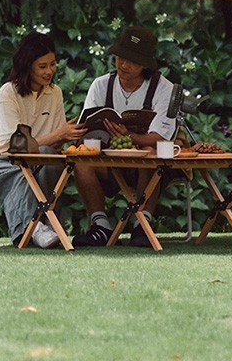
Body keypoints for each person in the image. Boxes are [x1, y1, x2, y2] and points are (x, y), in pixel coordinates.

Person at [0, 31, 86, 247]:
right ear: (27, 66)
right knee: (17, 172)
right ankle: (31, 229)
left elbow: (53, 143)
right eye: (42, 66)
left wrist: (71, 135)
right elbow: (16, 145)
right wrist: (58, 134)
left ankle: (49, 223)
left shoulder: (55, 93)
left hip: (33, 160)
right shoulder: (8, 93)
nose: (49, 71)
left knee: (53, 158)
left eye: (52, 64)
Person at [72, 24, 179, 247]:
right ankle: (101, 225)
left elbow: (160, 137)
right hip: (108, 162)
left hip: (147, 166)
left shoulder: (164, 89)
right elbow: (85, 129)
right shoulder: (101, 85)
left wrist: (130, 137)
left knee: (149, 151)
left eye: (132, 60)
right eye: (120, 57)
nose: (123, 64)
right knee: (82, 161)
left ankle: (143, 224)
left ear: (145, 64)